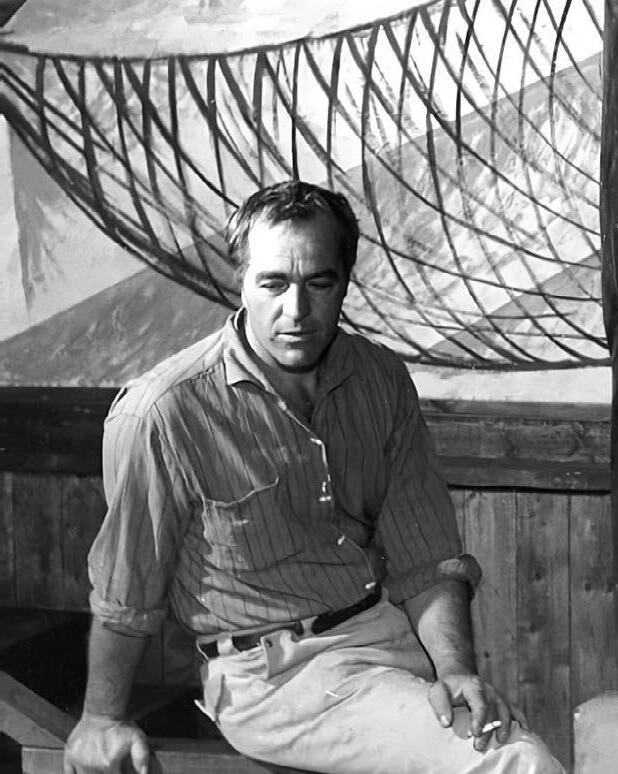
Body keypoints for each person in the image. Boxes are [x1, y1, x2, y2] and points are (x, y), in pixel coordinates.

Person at [63, 181, 565, 774]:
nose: (296, 311)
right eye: (273, 284)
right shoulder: (163, 411)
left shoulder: (378, 377)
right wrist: (100, 718)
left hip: (387, 635)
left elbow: (427, 558)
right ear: (240, 281)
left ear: (345, 282)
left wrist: (456, 671)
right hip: (276, 679)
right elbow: (127, 592)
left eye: (318, 284)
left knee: (500, 730)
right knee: (517, 762)